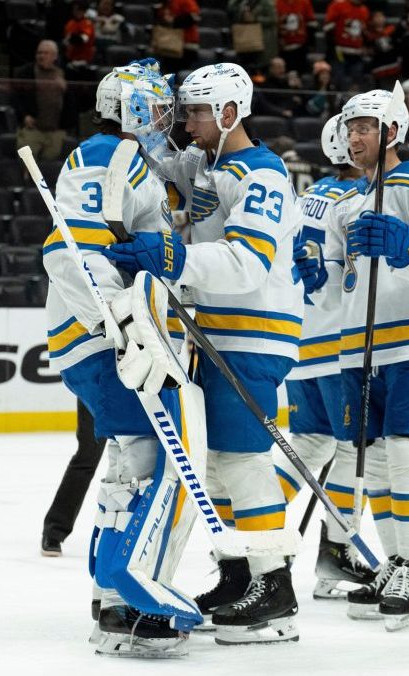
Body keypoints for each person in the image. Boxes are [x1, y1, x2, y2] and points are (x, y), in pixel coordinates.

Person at [104, 63, 303, 645]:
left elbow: (248, 262)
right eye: (185, 109)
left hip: (254, 332)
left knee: (244, 460)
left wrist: (170, 256)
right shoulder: (205, 163)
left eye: (196, 111)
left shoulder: (263, 174)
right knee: (216, 463)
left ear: (229, 113)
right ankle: (240, 572)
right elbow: (152, 166)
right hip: (217, 333)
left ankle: (276, 587)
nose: (186, 121)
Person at [44, 64, 200, 656]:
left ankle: (110, 600)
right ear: (133, 110)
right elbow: (70, 251)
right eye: (158, 109)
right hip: (105, 335)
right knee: (148, 457)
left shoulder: (126, 162)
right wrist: (119, 321)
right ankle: (125, 596)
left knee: (130, 457)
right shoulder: (109, 156)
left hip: (109, 332)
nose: (166, 121)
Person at [307, 87, 409, 630]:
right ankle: (396, 561)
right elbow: (343, 280)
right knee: (373, 462)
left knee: (408, 450)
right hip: (359, 344)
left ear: (393, 131)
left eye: (365, 127)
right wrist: (312, 276)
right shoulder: (349, 202)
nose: (354, 137)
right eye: (349, 127)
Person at [276, 115, 375, 599]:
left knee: (311, 444)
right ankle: (337, 551)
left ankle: (256, 529)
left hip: (303, 341)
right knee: (356, 449)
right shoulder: (357, 201)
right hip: (340, 344)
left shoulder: (306, 196)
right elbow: (367, 270)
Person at [41, 400, 106, 557]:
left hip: (136, 385)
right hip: (95, 384)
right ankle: (55, 530)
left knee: (140, 456)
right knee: (87, 456)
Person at [12, 40, 72, 162]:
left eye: (46, 53)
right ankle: (26, 180)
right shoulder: (26, 73)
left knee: (51, 164)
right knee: (27, 159)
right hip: (33, 128)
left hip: (56, 131)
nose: (41, 56)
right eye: (39, 53)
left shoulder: (64, 74)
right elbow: (16, 98)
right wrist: (24, 116)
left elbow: (74, 105)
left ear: (55, 56)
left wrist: (66, 90)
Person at [324, 0, 370, 89]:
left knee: (357, 81)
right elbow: (328, 28)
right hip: (339, 51)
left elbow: (365, 32)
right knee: (338, 79)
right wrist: (333, 45)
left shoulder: (364, 10)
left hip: (357, 53)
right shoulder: (338, 5)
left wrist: (365, 46)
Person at [276, 0, 316, 75]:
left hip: (300, 46)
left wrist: (310, 43)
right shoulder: (277, 3)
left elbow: (311, 23)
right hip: (282, 47)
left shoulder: (304, 2)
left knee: (299, 73)